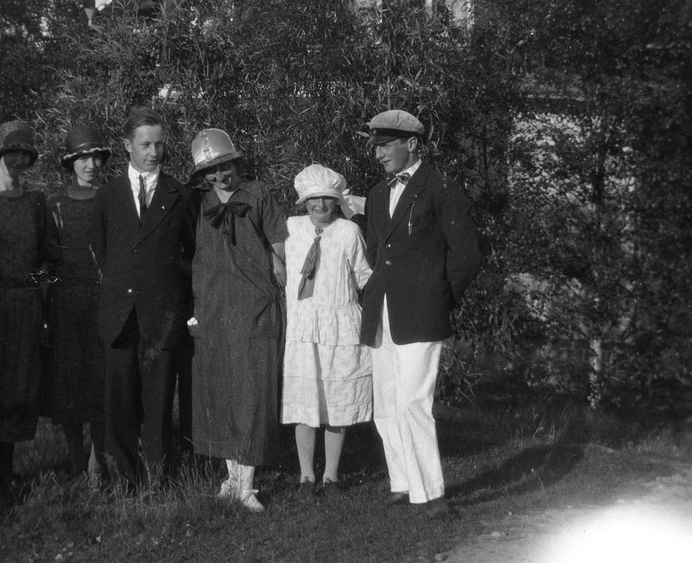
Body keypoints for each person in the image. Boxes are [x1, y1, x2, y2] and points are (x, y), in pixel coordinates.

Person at [358, 109, 484, 519]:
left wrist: (440, 297)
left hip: (422, 311)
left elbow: (467, 255)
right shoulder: (377, 193)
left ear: (412, 144)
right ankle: (403, 483)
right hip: (382, 310)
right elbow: (376, 253)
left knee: (413, 401)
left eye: (385, 145)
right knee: (386, 403)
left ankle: (432, 494)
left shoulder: (441, 187)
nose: (378, 154)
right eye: (375, 147)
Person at [88, 107, 198, 487]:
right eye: (145, 144)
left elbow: (189, 254)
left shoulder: (180, 194)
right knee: (119, 404)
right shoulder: (107, 195)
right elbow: (104, 251)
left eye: (159, 144)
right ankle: (123, 480)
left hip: (161, 317)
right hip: (119, 315)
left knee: (158, 404)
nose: (154, 152)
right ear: (127, 145)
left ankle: (157, 481)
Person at [185, 129, 287, 512]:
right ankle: (231, 479)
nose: (220, 176)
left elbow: (281, 252)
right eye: (210, 171)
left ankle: (247, 484)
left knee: (252, 393)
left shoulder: (258, 195)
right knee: (221, 391)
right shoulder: (199, 203)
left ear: (235, 162)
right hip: (213, 308)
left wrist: (275, 276)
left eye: (224, 166)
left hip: (254, 307)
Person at [0, 120, 56, 489]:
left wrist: (39, 296)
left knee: (17, 385)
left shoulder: (35, 201)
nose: (19, 160)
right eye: (12, 152)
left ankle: (6, 468)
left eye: (25, 154)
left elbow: (44, 257)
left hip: (25, 305)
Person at [282, 163, 373, 500]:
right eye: (313, 199)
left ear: (336, 200)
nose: (320, 205)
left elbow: (364, 276)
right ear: (303, 201)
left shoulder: (348, 231)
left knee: (338, 400)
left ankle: (331, 475)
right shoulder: (291, 229)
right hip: (303, 325)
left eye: (326, 199)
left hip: (340, 326)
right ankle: (306, 476)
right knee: (303, 401)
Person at [43, 124, 111, 481]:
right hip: (65, 303)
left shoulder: (110, 199)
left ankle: (97, 463)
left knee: (100, 383)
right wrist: (47, 304)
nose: (90, 165)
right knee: (68, 383)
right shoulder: (53, 204)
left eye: (96, 157)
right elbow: (46, 261)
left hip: (102, 300)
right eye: (82, 158)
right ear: (70, 163)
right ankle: (74, 459)